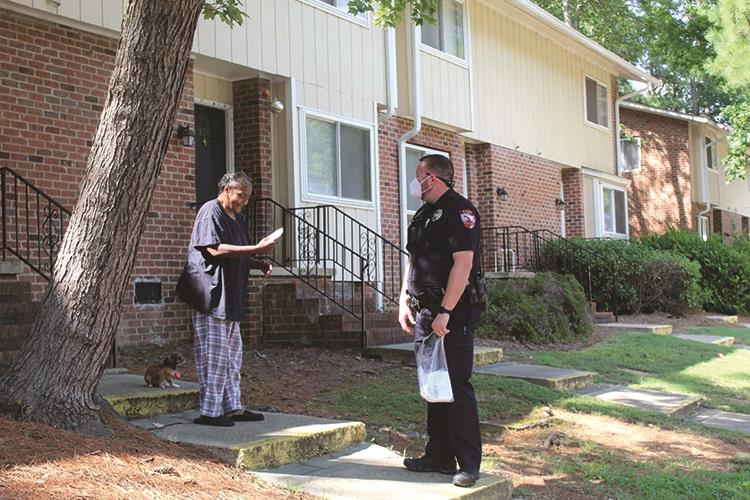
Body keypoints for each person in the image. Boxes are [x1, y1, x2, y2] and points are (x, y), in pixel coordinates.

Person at [398, 154, 485, 487]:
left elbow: (463, 265)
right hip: (423, 311)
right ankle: (439, 456)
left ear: (431, 177)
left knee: (456, 386)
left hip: (452, 313)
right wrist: (404, 299)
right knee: (433, 385)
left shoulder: (460, 212)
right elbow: (414, 259)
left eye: (418, 174)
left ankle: (468, 464)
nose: (414, 180)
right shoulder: (423, 214)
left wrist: (446, 311)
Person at [180, 172, 276, 427]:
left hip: (231, 297)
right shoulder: (210, 211)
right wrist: (255, 249)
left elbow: (237, 253)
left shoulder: (238, 219)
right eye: (241, 195)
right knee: (213, 355)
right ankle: (210, 412)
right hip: (210, 294)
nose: (244, 201)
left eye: (247, 197)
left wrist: (256, 261)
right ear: (225, 190)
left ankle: (233, 407)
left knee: (233, 356)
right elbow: (213, 249)